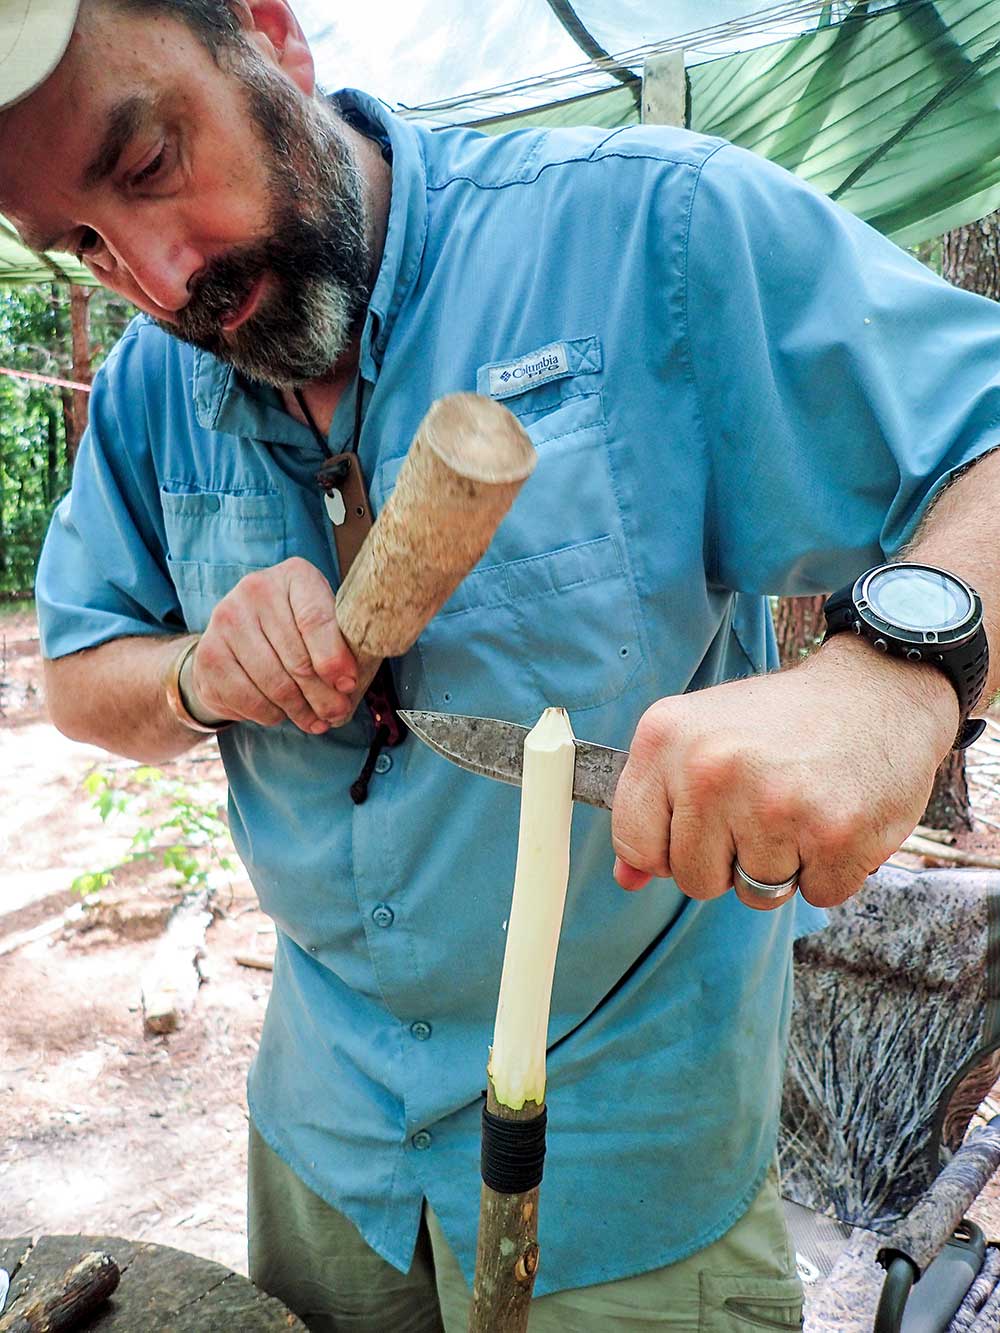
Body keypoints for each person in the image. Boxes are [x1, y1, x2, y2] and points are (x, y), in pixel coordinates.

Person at [3, 1, 1000, 1328]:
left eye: (148, 164)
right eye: (78, 241)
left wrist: (898, 671)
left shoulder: (649, 237)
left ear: (269, 36)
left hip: (630, 1173)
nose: (158, 272)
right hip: (326, 1141)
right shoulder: (144, 392)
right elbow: (78, 674)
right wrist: (198, 673)